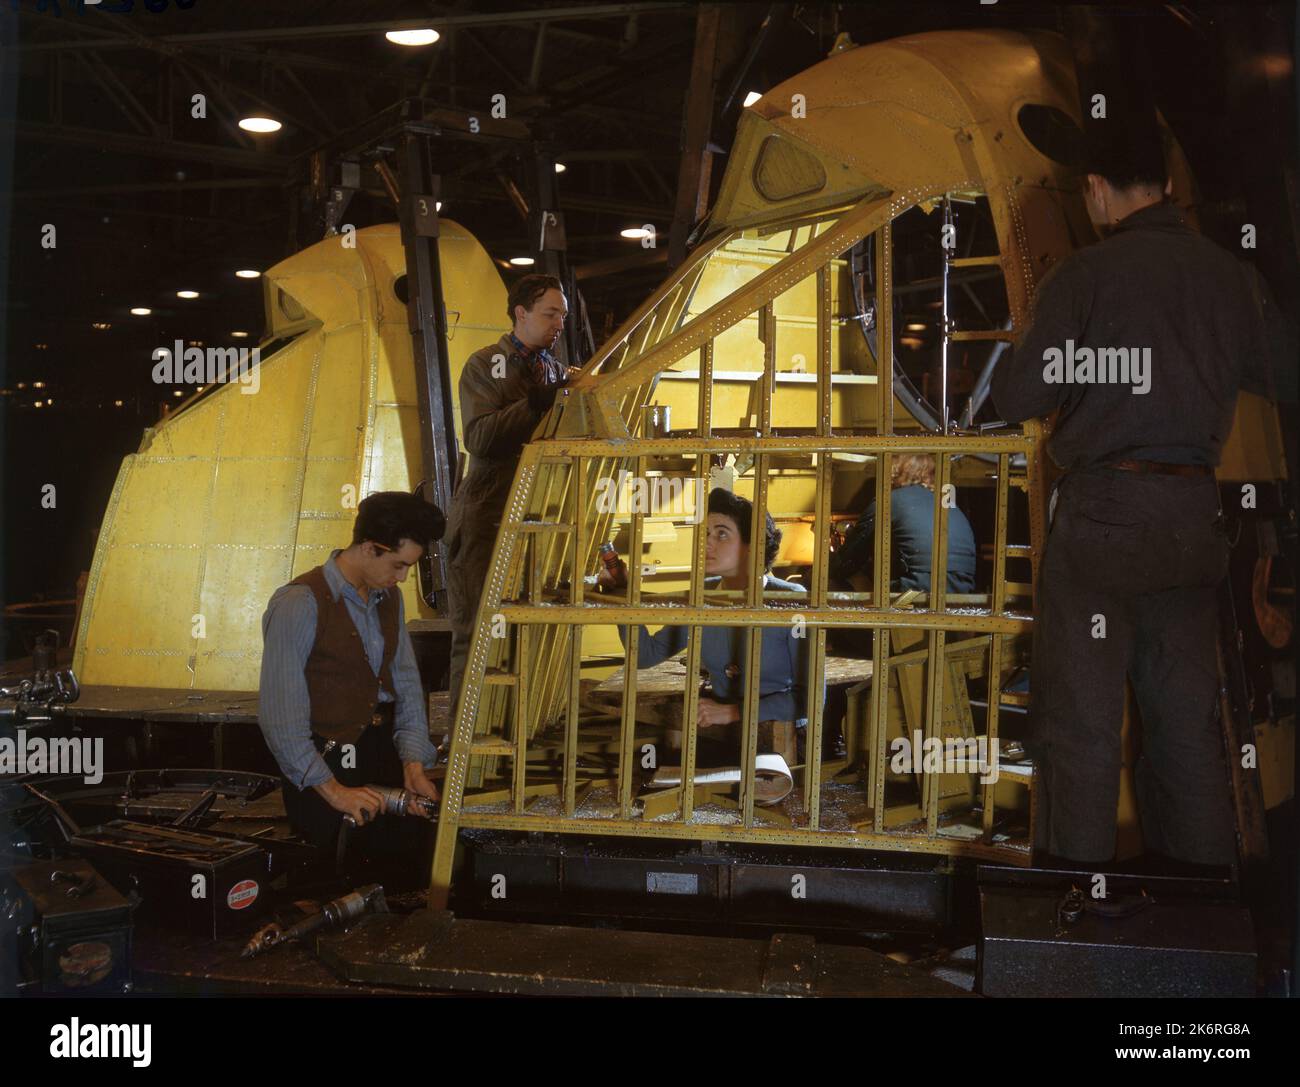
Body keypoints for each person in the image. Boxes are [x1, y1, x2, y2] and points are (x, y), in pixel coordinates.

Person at [990, 135, 1271, 870]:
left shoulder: (1085, 276)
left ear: (1096, 190)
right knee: (1186, 728)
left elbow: (1021, 395)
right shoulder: (1228, 277)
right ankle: (1204, 909)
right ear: (1169, 182)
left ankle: (1078, 909)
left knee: (1081, 728)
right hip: (1189, 521)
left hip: (1105, 522)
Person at [258, 491, 444, 866]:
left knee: (394, 879)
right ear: (369, 548)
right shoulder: (299, 603)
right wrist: (334, 791)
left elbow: (405, 684)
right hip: (322, 769)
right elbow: (281, 720)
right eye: (397, 565)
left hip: (380, 756)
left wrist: (412, 764)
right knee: (330, 882)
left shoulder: (388, 597)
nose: (403, 577)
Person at [443, 274, 575, 730]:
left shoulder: (556, 372)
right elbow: (479, 437)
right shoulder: (485, 365)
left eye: (563, 315)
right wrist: (535, 404)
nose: (559, 323)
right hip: (487, 513)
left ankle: (513, 735)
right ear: (520, 313)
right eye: (550, 313)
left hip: (537, 515)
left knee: (527, 631)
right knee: (477, 631)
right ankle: (462, 741)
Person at [613, 489, 810, 774]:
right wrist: (622, 593)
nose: (707, 543)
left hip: (780, 740)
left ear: (751, 545)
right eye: (705, 533)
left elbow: (811, 699)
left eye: (721, 534)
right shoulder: (704, 595)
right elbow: (646, 655)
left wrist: (733, 712)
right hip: (721, 735)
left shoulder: (791, 599)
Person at [828, 453, 978, 594]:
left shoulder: (889, 500)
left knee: (844, 580)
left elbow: (849, 560)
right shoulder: (949, 504)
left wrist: (824, 568)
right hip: (962, 590)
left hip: (915, 589)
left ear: (895, 472)